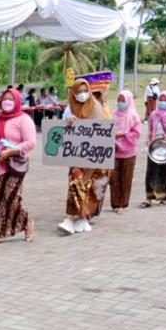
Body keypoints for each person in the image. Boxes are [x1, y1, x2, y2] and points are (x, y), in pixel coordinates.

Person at [0, 88, 36, 245]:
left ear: (18, 101)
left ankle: (26, 223)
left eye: (11, 99)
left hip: (13, 165)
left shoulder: (23, 120)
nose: (7, 101)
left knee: (12, 199)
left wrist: (11, 151)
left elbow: (30, 142)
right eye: (5, 98)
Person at [58, 79, 109, 233]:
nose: (82, 94)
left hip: (92, 156)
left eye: (84, 91)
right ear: (73, 93)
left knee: (87, 187)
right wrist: (68, 121)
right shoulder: (69, 109)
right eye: (78, 91)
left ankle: (83, 217)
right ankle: (70, 218)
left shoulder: (96, 107)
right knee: (74, 183)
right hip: (75, 154)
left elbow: (104, 130)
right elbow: (61, 127)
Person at [109, 90, 142, 214]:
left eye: (123, 100)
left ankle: (123, 203)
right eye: (119, 100)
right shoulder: (113, 113)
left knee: (126, 178)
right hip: (114, 150)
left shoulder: (133, 116)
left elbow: (137, 133)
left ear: (129, 101)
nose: (121, 103)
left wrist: (123, 134)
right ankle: (115, 202)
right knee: (114, 178)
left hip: (129, 152)